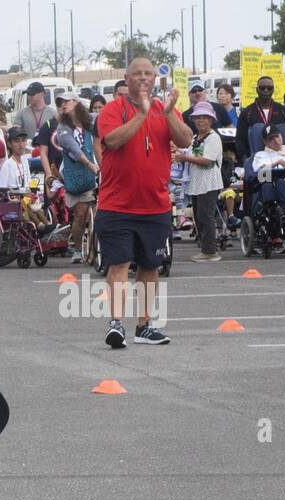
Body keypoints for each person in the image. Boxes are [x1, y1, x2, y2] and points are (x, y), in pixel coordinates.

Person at [95, 58, 192, 349]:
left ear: (154, 78)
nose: (142, 79)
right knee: (120, 262)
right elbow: (112, 141)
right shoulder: (114, 110)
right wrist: (141, 114)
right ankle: (116, 324)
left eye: (148, 74)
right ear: (126, 79)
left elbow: (185, 140)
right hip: (117, 206)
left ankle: (144, 326)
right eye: (137, 74)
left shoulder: (165, 110)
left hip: (155, 205)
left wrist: (169, 112)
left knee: (151, 265)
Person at [178, 101, 224, 262]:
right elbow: (190, 154)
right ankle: (205, 248)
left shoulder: (213, 138)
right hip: (197, 183)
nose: (200, 121)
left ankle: (210, 250)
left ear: (211, 120)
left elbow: (207, 160)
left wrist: (185, 157)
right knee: (199, 217)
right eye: (197, 117)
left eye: (204, 117)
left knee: (206, 216)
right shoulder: (196, 137)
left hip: (209, 183)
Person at [54, 101, 99, 263]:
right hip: (78, 174)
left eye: (67, 101)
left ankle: (96, 250)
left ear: (77, 102)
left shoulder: (92, 121)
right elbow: (74, 149)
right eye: (60, 103)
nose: (63, 105)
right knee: (80, 214)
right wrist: (89, 164)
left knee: (97, 214)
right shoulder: (63, 129)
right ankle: (78, 249)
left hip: (99, 168)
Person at [0, 127, 49, 229]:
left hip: (24, 196)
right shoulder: (8, 164)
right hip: (11, 199)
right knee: (22, 202)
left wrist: (30, 194)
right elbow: (1, 189)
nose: (21, 144)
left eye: (23, 141)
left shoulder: (25, 161)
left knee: (34, 203)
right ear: (10, 144)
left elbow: (28, 184)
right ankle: (40, 226)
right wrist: (19, 193)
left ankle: (48, 225)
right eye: (16, 141)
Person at [237, 77, 285, 166]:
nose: (266, 90)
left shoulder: (282, 110)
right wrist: (245, 160)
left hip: (281, 156)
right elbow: (240, 139)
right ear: (257, 90)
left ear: (273, 89)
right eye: (262, 88)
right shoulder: (247, 112)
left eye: (269, 88)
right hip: (258, 158)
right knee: (265, 178)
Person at [13, 81, 56, 151]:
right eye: (28, 94)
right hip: (27, 153)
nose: (29, 97)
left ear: (42, 94)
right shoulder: (22, 113)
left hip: (47, 154)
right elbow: (15, 132)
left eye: (32, 94)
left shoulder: (53, 113)